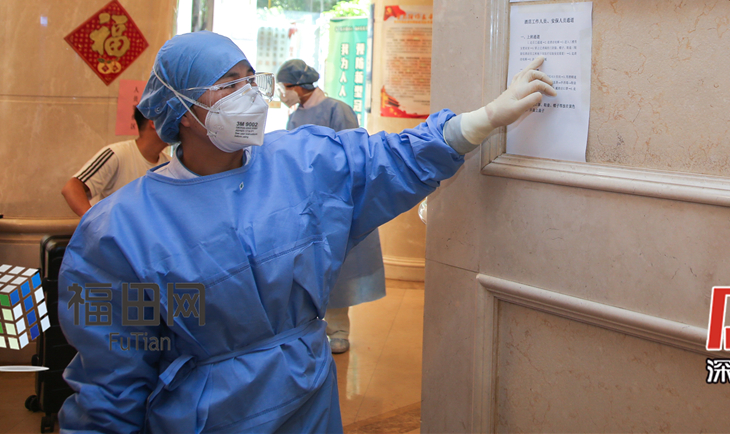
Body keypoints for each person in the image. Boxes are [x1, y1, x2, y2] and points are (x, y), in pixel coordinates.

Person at [58, 31, 554, 433]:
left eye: (250, 80)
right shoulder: (121, 229)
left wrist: (485, 119)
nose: (249, 95)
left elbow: (392, 159)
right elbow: (111, 382)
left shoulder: (302, 161)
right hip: (209, 414)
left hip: (308, 398)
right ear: (181, 111)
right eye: (228, 85)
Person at [277, 58, 379, 355]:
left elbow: (353, 154)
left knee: (338, 269)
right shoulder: (295, 116)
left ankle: (338, 330)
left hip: (334, 201)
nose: (284, 93)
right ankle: (308, 329)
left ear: (301, 85)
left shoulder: (337, 110)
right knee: (308, 269)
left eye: (286, 87)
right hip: (304, 202)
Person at [60, 106, 170, 217]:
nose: (176, 126)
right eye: (171, 119)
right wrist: (95, 222)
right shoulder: (117, 153)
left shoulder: (169, 164)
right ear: (153, 123)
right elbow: (71, 188)